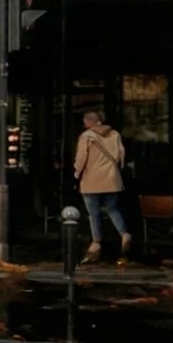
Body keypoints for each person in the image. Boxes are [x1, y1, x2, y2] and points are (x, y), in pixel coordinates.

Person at [74, 109, 131, 264]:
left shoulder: (86, 136)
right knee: (112, 208)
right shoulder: (115, 135)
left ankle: (96, 242)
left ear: (88, 122)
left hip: (92, 180)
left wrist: (77, 173)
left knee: (93, 212)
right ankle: (124, 233)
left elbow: (81, 157)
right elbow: (121, 155)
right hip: (112, 180)